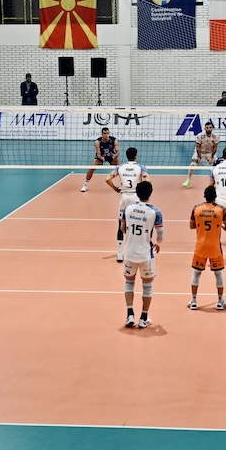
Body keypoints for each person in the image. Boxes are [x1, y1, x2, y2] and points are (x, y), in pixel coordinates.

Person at [120, 180, 163, 329]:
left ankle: (129, 315)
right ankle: (144, 318)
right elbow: (160, 234)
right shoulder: (155, 212)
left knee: (129, 283)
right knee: (147, 286)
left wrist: (132, 237)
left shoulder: (128, 208)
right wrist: (158, 243)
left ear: (137, 193)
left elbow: (122, 228)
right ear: (150, 194)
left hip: (129, 253)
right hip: (145, 255)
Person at [188, 185, 226, 311]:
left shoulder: (196, 209)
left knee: (196, 273)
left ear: (204, 196)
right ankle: (220, 302)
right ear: (215, 196)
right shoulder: (222, 210)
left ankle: (194, 302)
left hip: (200, 247)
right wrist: (219, 225)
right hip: (215, 248)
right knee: (218, 274)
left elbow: (192, 226)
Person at [107, 147, 149, 262]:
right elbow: (147, 180)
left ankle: (119, 253)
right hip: (136, 197)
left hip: (124, 197)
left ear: (126, 156)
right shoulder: (141, 167)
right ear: (136, 156)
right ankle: (136, 250)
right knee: (138, 223)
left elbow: (107, 178)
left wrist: (115, 188)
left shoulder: (120, 167)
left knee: (121, 224)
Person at [81, 127, 120, 192]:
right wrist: (102, 158)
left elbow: (118, 152)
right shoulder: (97, 142)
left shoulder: (114, 140)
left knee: (121, 168)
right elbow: (98, 154)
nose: (106, 135)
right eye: (104, 133)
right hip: (101, 157)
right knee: (91, 168)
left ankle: (123, 183)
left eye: (107, 133)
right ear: (102, 134)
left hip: (111, 157)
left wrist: (115, 155)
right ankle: (85, 185)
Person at [183, 121, 219, 188]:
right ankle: (188, 180)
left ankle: (217, 181)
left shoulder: (215, 136)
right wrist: (200, 158)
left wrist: (211, 157)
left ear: (212, 128)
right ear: (205, 128)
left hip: (209, 152)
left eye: (210, 127)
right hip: (199, 151)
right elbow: (197, 147)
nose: (209, 129)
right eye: (207, 128)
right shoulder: (200, 136)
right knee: (193, 164)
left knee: (217, 165)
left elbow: (215, 147)